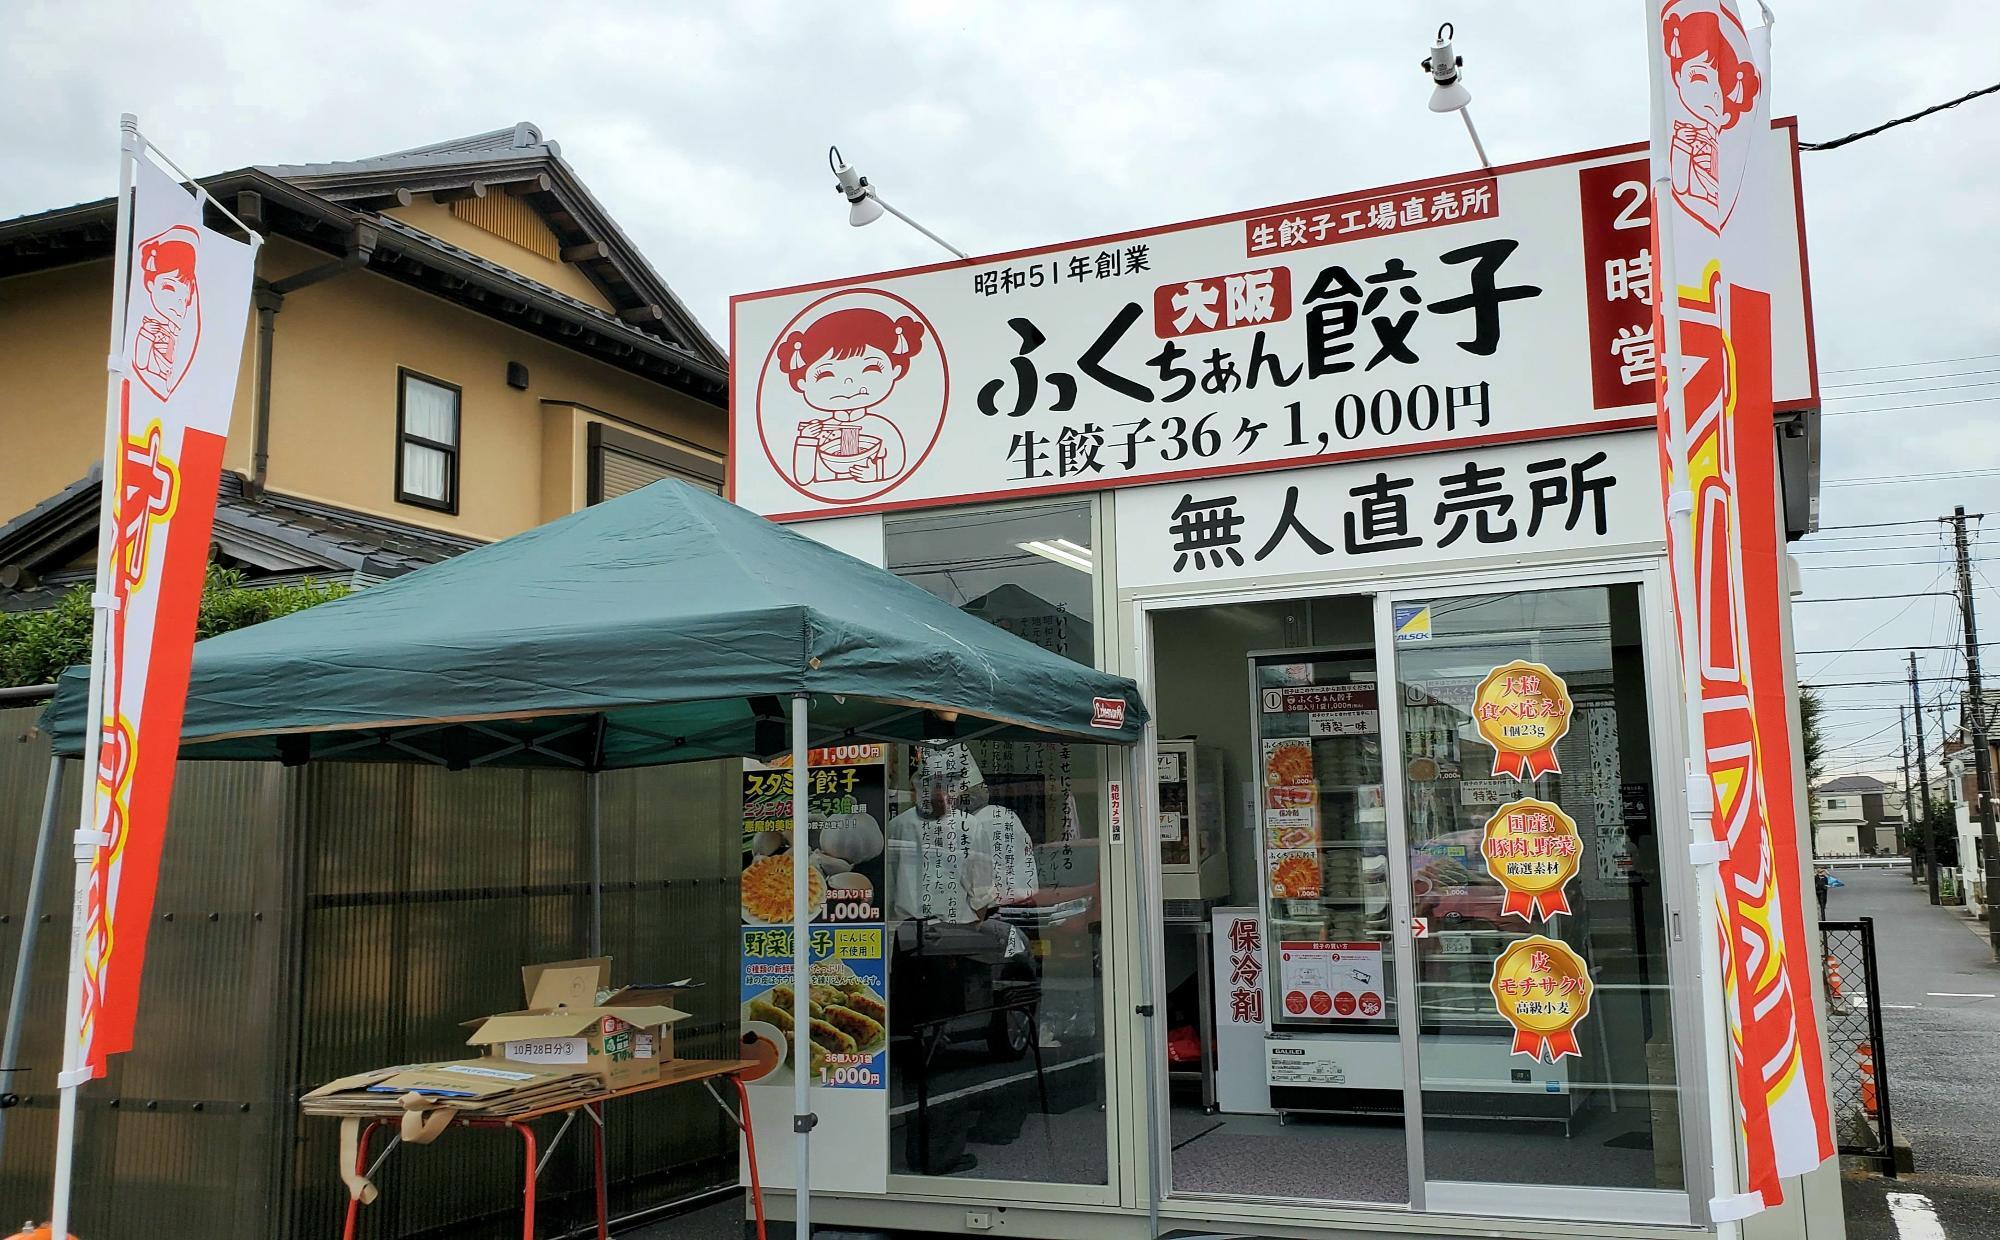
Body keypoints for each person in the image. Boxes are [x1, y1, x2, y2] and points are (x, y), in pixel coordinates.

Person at [779, 307, 923, 491]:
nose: (848, 382)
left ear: (895, 370)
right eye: (827, 374)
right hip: (825, 503)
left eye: (871, 368)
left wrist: (876, 474)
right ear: (802, 382)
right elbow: (804, 479)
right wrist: (806, 440)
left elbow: (897, 461)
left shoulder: (882, 428)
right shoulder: (817, 431)